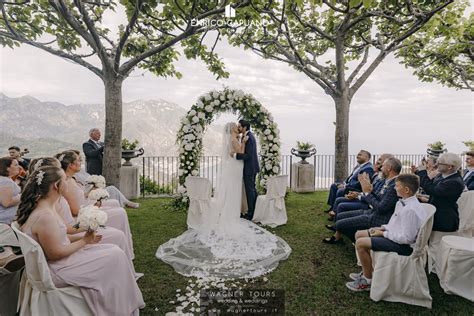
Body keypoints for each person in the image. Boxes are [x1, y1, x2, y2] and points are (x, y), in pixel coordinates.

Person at [156, 122, 291, 279]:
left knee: (237, 191)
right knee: (234, 191)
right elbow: (238, 152)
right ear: (233, 129)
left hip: (238, 168)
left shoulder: (239, 137)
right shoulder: (236, 139)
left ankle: (237, 212)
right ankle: (233, 215)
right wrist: (243, 142)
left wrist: (242, 142)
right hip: (236, 168)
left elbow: (238, 153)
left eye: (238, 126)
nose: (237, 128)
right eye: (235, 126)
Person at [17, 166, 144, 315]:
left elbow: (59, 237)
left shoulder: (46, 207)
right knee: (115, 256)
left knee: (113, 251)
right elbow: (55, 253)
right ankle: (118, 307)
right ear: (56, 186)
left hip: (61, 262)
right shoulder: (45, 216)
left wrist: (86, 237)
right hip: (58, 268)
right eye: (64, 180)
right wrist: (84, 241)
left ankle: (124, 304)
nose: (69, 182)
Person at [345, 174, 428, 291]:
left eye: (397, 186)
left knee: (360, 243)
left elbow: (407, 239)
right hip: (395, 236)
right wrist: (383, 228)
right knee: (359, 234)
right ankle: (367, 271)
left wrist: (383, 234)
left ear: (406, 190)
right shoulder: (402, 202)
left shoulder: (410, 210)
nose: (394, 188)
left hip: (404, 246)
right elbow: (395, 224)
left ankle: (367, 281)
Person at [55, 151, 136, 259]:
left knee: (118, 208)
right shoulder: (66, 183)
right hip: (79, 219)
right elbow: (75, 211)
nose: (81, 162)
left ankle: (126, 251)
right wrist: (93, 211)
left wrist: (92, 193)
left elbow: (79, 197)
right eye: (78, 160)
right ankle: (125, 254)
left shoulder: (70, 180)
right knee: (120, 213)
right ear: (70, 165)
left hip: (82, 214)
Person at [323, 157, 401, 244]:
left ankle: (356, 241)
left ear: (389, 168)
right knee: (340, 216)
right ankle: (354, 239)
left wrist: (367, 192)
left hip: (378, 218)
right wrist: (367, 191)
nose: (381, 168)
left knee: (340, 224)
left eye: (383, 166)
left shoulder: (394, 185)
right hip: (371, 211)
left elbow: (380, 208)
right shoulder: (388, 182)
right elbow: (378, 197)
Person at [329, 154, 393, 219]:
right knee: (338, 197)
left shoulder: (383, 179)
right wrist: (357, 194)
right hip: (365, 198)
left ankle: (337, 221)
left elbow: (372, 195)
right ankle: (335, 218)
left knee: (341, 204)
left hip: (368, 204)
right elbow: (370, 192)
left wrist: (358, 196)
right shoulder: (377, 176)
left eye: (380, 159)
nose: (376, 161)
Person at [415, 152, 465, 232]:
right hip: (437, 215)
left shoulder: (454, 182)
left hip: (444, 220)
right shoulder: (442, 176)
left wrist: (422, 172)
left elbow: (432, 190)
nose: (437, 164)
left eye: (440, 163)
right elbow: (433, 189)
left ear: (449, 167)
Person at [234, 119, 260, 220]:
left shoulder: (249, 138)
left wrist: (236, 155)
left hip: (250, 169)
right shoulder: (248, 136)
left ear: (245, 127)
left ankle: (251, 214)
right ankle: (254, 211)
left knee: (250, 191)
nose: (238, 128)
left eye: (239, 126)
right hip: (251, 168)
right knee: (252, 190)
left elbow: (248, 155)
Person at [0, 157, 21, 224]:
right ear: (7, 168)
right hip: (4, 221)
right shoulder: (6, 181)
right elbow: (6, 203)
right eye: (16, 165)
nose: (19, 167)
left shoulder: (5, 179)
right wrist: (22, 196)